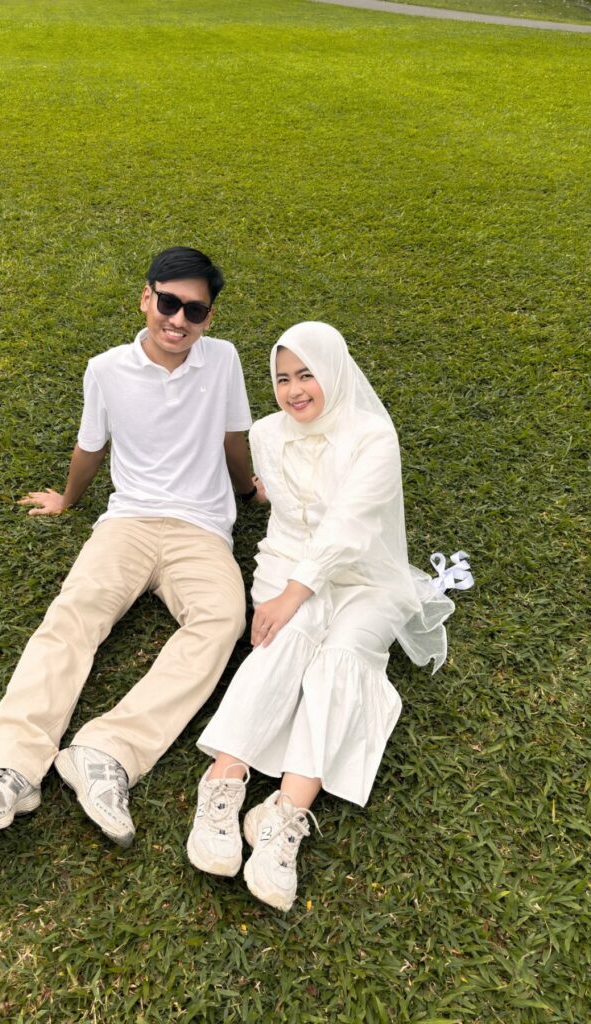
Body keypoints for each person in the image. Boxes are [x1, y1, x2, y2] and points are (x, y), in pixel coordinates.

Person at [0, 246, 261, 847]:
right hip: (128, 523)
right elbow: (91, 445)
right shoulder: (106, 369)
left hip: (201, 530)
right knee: (73, 615)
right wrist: (68, 499)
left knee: (223, 621)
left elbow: (233, 438)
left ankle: (106, 753)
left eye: (194, 311)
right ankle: (8, 766)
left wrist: (247, 491)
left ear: (209, 318)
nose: (178, 319)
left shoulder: (222, 360)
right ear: (146, 297)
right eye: (168, 302)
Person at [185, 322, 472, 911]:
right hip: (286, 560)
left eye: (307, 374)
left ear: (335, 372)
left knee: (342, 657)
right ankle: (222, 782)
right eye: (282, 378)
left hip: (366, 575)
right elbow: (286, 503)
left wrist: (294, 594)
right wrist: (288, 589)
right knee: (285, 641)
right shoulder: (266, 433)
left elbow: (349, 526)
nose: (294, 390)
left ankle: (284, 815)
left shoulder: (373, 435)